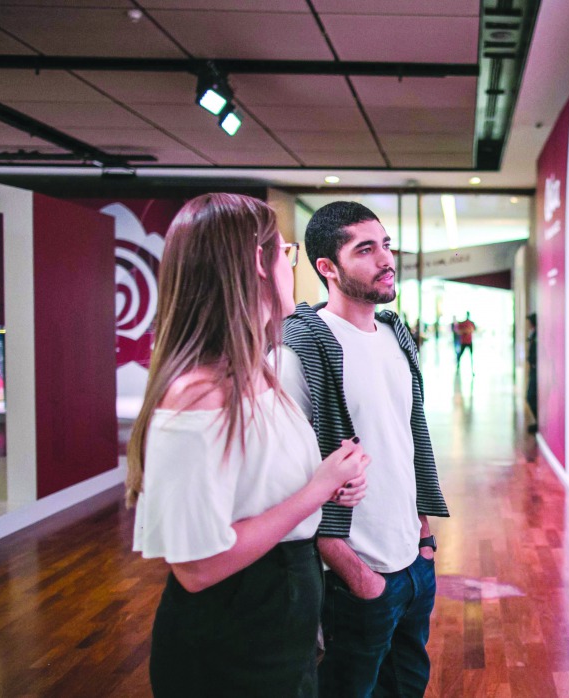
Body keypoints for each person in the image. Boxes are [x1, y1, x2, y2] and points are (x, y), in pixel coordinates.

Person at [127, 193, 369, 697]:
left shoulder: (257, 369)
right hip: (232, 635)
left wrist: (331, 481)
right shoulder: (197, 393)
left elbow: (259, 491)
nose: (291, 266)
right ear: (257, 264)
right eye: (285, 252)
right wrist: (317, 490)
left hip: (280, 618)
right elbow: (197, 568)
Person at [278, 201, 450, 697]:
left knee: (407, 687)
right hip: (354, 575)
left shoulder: (396, 336)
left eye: (387, 245)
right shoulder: (299, 351)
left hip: (412, 562)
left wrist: (423, 537)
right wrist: (353, 571)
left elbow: (409, 440)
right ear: (327, 268)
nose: (385, 259)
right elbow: (289, 479)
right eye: (366, 249)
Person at [526, 313, 538, 433]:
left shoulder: (537, 335)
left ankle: (538, 422)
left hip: (536, 369)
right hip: (533, 368)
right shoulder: (533, 333)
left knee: (530, 396)